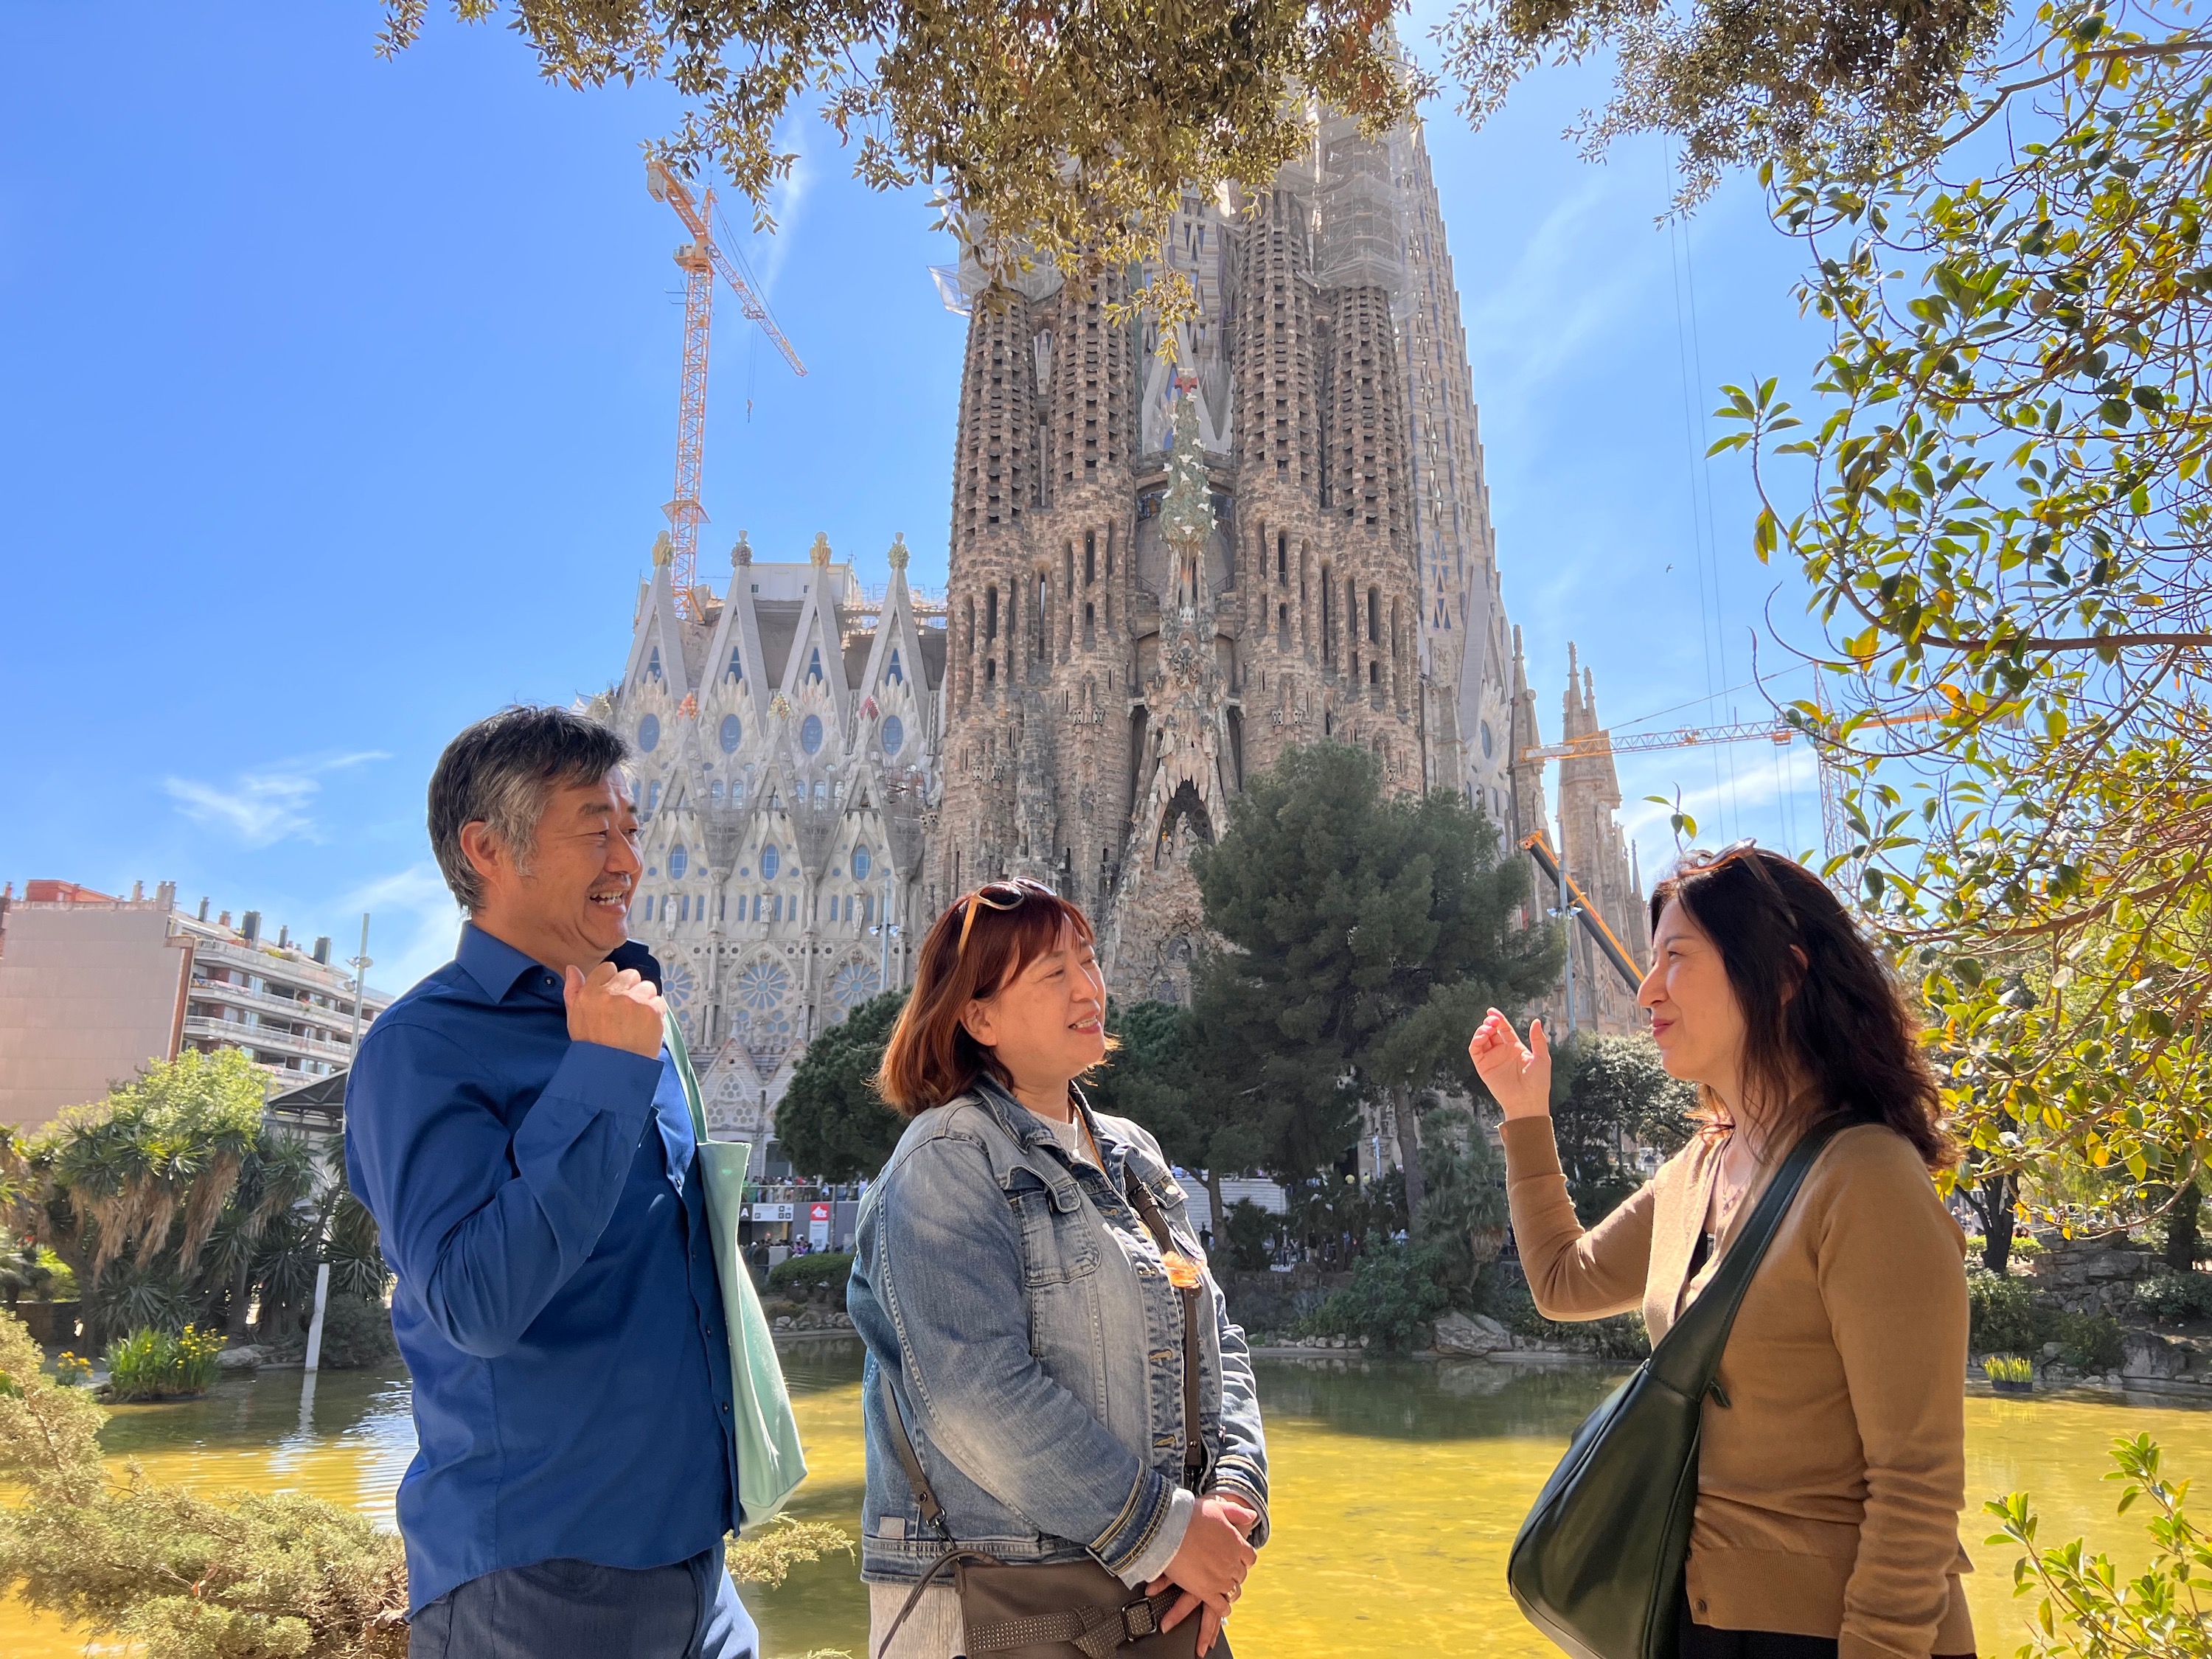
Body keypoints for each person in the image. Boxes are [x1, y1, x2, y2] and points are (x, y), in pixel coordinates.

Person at [1470, 844, 1975, 1659]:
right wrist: (1526, 1116)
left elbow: (1916, 1488)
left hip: (1835, 1634)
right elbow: (1564, 1282)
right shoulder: (1699, 1168)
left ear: (1781, 975)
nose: (1646, 989)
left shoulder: (1868, 1179)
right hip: (1696, 1622)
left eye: (1677, 957)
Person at [347, 706, 757, 1659]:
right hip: (535, 1583)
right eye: (593, 826)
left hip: (696, 1563)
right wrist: (604, 1075)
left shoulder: (637, 1023)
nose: (626, 858)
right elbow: (474, 1301)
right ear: (487, 847)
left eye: (632, 826)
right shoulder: (421, 1048)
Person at [848, 880, 1267, 1659]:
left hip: (1158, 1605)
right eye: (1053, 974)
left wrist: (1234, 1496)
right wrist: (1168, 1531)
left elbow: (1217, 1341)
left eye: (1089, 959)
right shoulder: (947, 1162)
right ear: (979, 1016)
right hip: (996, 1604)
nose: (1090, 989)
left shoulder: (1131, 1155)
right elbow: (972, 1394)